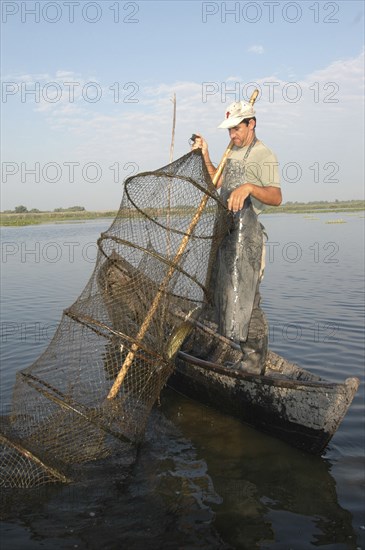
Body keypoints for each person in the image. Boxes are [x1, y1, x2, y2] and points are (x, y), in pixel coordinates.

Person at [191, 100, 282, 374]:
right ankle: (240, 352)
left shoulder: (264, 154)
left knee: (248, 302)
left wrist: (250, 187)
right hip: (228, 234)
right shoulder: (231, 152)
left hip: (249, 238)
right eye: (229, 130)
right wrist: (206, 155)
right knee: (224, 293)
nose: (232, 135)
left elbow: (276, 197)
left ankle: (254, 363)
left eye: (237, 129)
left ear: (251, 123)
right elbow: (217, 181)